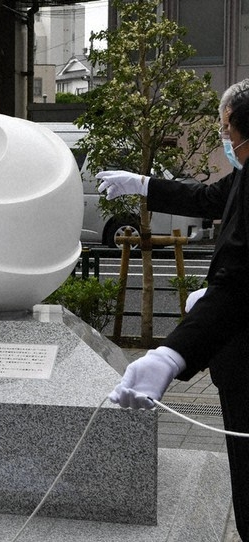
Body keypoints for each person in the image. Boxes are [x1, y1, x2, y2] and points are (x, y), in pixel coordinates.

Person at [97, 79, 249, 540]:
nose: (224, 137)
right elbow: (206, 199)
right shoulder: (244, 173)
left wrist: (172, 352)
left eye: (225, 128)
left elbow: (239, 279)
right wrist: (142, 184)